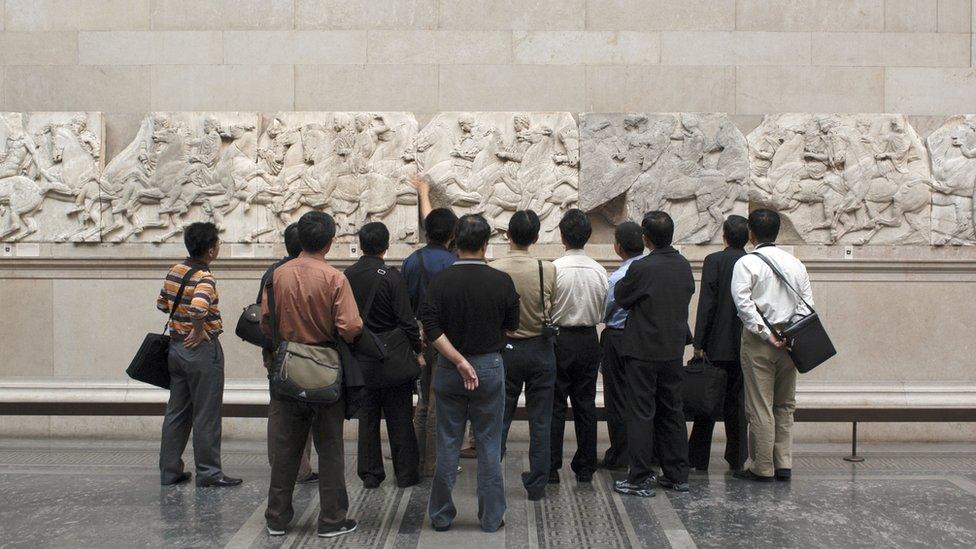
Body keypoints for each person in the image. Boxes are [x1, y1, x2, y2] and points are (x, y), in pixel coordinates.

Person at [261, 211, 363, 538]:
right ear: (330, 241)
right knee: (330, 447)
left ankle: (277, 517)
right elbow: (350, 327)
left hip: (287, 364)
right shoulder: (335, 278)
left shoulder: (277, 276)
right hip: (325, 368)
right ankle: (332, 519)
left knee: (286, 446)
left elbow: (265, 321)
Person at [421, 214, 519, 533]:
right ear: (486, 244)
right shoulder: (502, 281)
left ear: (455, 242)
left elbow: (431, 327)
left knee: (448, 442)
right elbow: (512, 325)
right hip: (489, 367)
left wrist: (459, 361)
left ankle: (440, 515)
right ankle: (491, 518)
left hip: (450, 369)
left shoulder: (440, 280)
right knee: (489, 444)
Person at [613, 211, 695, 498]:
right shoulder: (683, 266)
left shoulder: (643, 268)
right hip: (672, 351)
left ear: (645, 238)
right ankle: (676, 474)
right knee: (672, 411)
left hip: (642, 351)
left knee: (640, 413)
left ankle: (639, 477)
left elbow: (622, 297)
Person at [156, 222, 241, 488]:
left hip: (176, 348)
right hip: (201, 351)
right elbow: (198, 308)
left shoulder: (175, 270)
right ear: (210, 250)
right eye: (217, 243)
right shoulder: (205, 277)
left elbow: (161, 304)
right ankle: (209, 472)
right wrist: (197, 329)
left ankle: (170, 470)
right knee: (206, 413)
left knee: (177, 412)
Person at [731, 209, 813, 483]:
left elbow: (744, 305)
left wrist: (767, 334)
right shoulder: (795, 263)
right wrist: (788, 334)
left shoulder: (747, 263)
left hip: (759, 343)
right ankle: (784, 463)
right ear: (777, 232)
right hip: (791, 342)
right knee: (785, 404)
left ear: (751, 234)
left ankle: (762, 466)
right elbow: (806, 305)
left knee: (760, 405)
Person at [345, 222, 423, 489]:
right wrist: (418, 350)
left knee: (367, 418)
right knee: (400, 417)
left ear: (362, 244)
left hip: (360, 357)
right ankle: (405, 474)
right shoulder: (391, 277)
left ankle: (370, 473)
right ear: (386, 245)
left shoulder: (347, 275)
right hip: (392, 359)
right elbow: (407, 320)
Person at [492, 210, 557, 500]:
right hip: (541, 350)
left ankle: (493, 479)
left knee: (500, 418)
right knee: (541, 420)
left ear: (508, 235)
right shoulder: (548, 268)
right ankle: (537, 484)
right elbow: (551, 306)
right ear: (536, 237)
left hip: (506, 350)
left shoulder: (494, 268)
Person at [402, 180, 460, 475]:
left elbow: (406, 302)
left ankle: (418, 457)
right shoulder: (456, 263)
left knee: (423, 400)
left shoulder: (413, 260)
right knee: (441, 402)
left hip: (421, 337)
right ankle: (435, 463)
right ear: (453, 235)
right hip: (449, 339)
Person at [549, 209, 608, 483]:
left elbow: (547, 308)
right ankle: (585, 466)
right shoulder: (599, 270)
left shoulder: (554, 268)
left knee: (556, 404)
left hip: (561, 338)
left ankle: (551, 466)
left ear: (562, 236)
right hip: (589, 339)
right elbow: (605, 309)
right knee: (586, 405)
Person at [257, 223, 317, 485]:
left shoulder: (272, 272)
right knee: (305, 408)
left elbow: (263, 317)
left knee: (280, 409)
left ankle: (286, 465)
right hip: (306, 352)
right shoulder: (313, 273)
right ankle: (300, 467)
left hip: (277, 350)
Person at [689, 215, 750, 472]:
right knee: (737, 404)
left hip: (717, 343)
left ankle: (698, 457)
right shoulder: (752, 261)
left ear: (724, 236)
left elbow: (707, 304)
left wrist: (699, 342)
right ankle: (736, 458)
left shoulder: (714, 261)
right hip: (746, 343)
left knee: (708, 401)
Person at [599, 221, 645, 471]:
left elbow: (604, 311)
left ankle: (619, 453)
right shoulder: (652, 270)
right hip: (644, 339)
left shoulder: (617, 277)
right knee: (641, 397)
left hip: (618, 338)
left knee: (616, 399)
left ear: (618, 247)